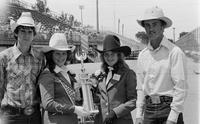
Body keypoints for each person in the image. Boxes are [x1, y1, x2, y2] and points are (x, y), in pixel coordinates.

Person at [135, 6, 188, 124]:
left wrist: (172, 118)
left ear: (163, 27)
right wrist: (139, 115)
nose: (151, 29)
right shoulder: (142, 55)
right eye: (147, 25)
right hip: (148, 111)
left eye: (154, 24)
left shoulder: (174, 52)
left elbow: (181, 87)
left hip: (169, 109)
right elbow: (140, 88)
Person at [0, 12, 45, 124]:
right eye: (22, 31)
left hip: (34, 115)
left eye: (30, 32)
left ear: (34, 34)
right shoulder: (4, 57)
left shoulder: (39, 57)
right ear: (16, 33)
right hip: (11, 115)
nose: (26, 35)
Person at [38, 33, 91, 124]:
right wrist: (74, 109)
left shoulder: (66, 72)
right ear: (51, 55)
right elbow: (48, 104)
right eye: (57, 54)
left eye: (64, 53)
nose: (61, 57)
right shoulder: (47, 74)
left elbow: (69, 98)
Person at [91, 35, 137, 124]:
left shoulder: (128, 74)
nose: (109, 57)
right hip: (102, 121)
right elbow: (100, 99)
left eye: (112, 54)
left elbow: (133, 100)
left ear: (119, 55)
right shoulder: (100, 74)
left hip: (121, 121)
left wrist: (115, 113)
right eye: (106, 55)